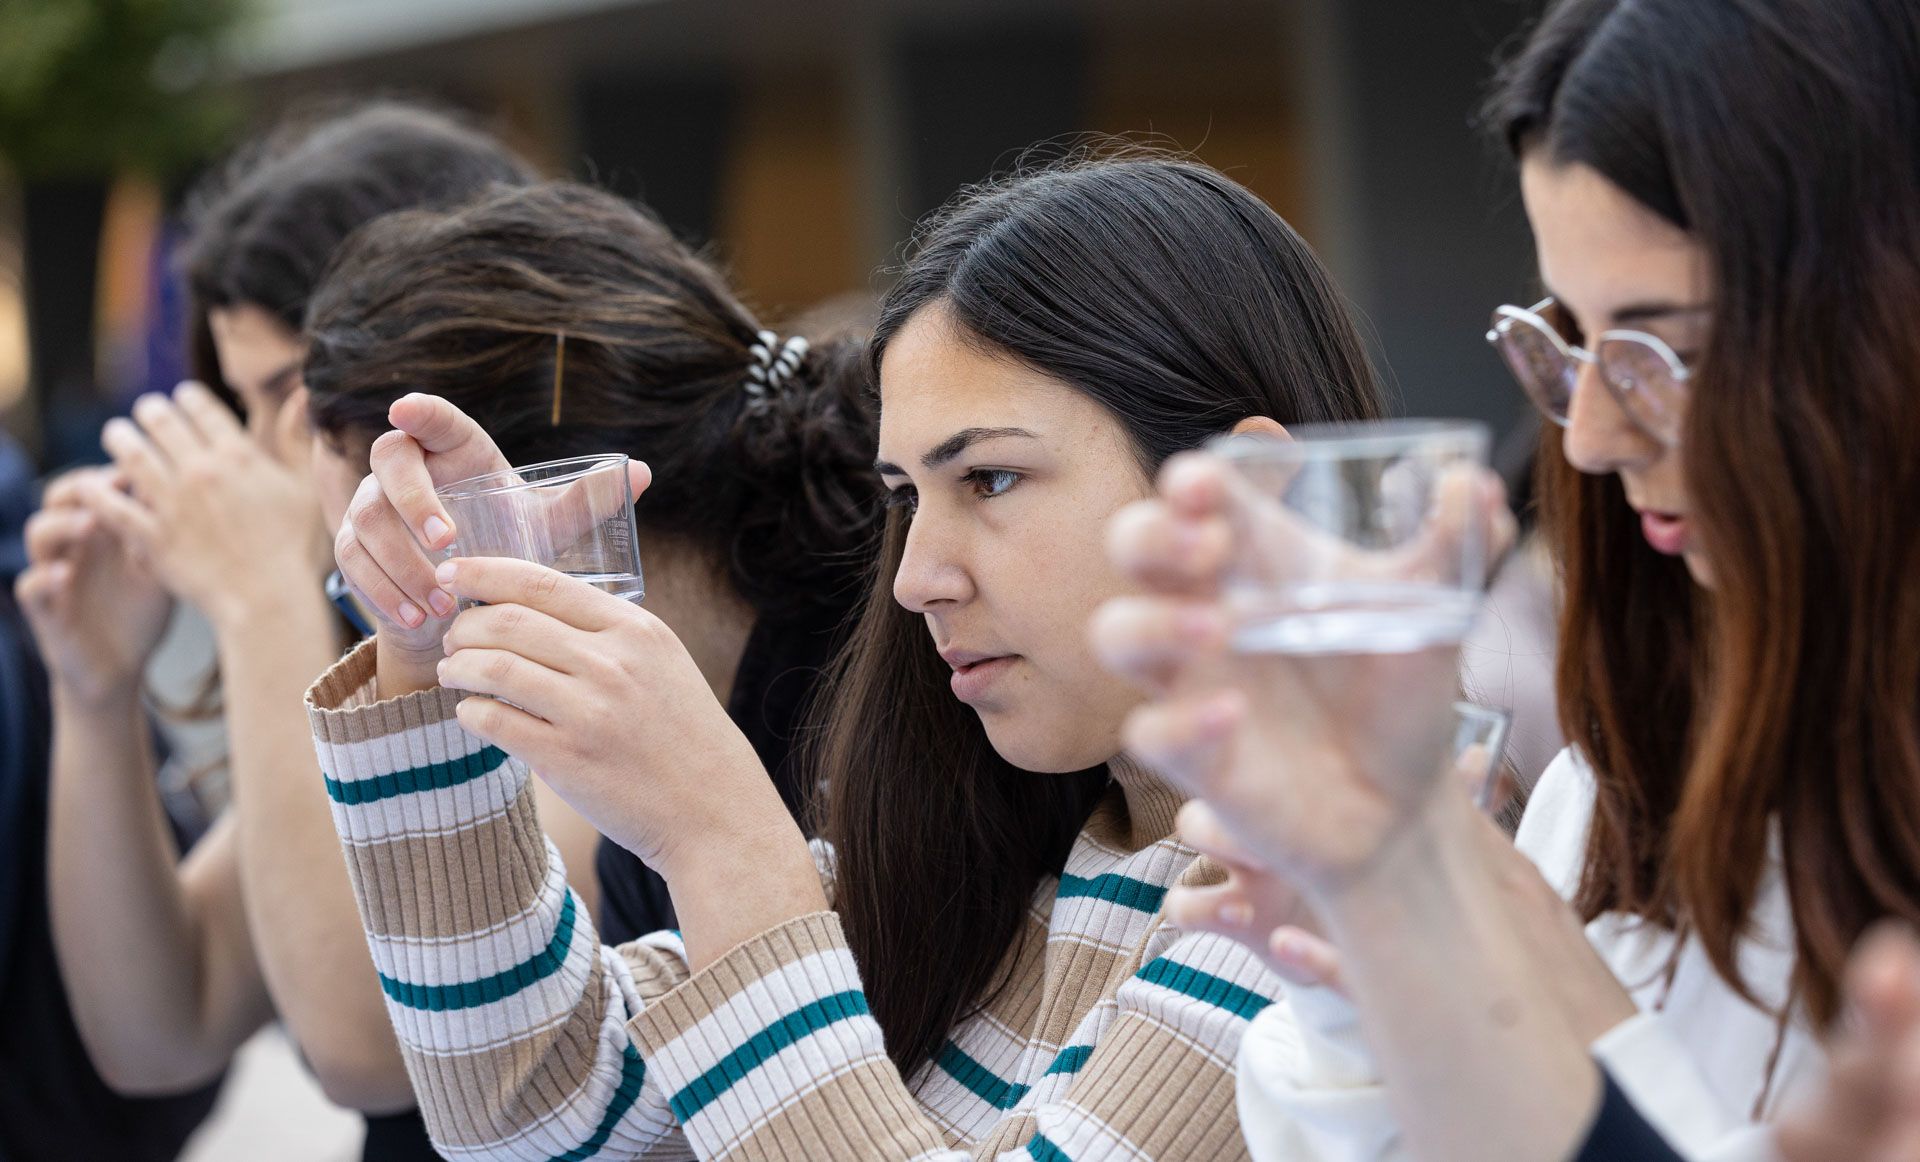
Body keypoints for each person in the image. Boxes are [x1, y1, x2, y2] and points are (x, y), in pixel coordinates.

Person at [307, 153, 1383, 1159]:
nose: (917, 576)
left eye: (992, 480)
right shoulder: (1003, 847)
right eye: (905, 496)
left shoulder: (1351, 871)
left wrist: (720, 836)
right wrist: (419, 642)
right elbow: (523, 1109)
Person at [1087, 0, 1920, 1158]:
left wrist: (1444, 908)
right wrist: (1373, 957)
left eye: (1661, 344)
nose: (1585, 436)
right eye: (1569, 341)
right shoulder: (1616, 791)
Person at [14, 101, 542, 1161]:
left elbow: (366, 1048)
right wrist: (94, 688)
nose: (261, 454)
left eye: (285, 403)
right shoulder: (376, 636)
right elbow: (158, 1028)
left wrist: (263, 594)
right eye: (244, 406)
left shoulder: (563, 620)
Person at [297, 180, 883, 946]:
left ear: (529, 511)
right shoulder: (663, 757)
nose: (416, 637)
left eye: (387, 588)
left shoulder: (893, 701)